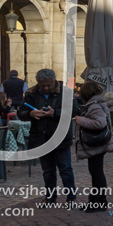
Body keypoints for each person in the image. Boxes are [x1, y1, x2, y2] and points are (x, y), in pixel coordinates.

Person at [18, 69, 79, 206]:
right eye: (42, 85)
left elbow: (75, 110)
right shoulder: (31, 93)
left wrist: (54, 113)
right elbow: (20, 112)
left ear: (54, 81)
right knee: (48, 171)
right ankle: (50, 198)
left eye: (48, 85)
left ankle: (71, 197)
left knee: (65, 169)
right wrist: (30, 114)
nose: (45, 88)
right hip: (41, 137)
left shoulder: (65, 92)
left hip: (60, 136)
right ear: (38, 83)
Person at [74, 80, 113, 213]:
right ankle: (95, 200)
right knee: (95, 172)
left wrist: (81, 120)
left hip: (96, 143)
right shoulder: (98, 103)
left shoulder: (94, 106)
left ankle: (99, 202)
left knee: (97, 173)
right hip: (99, 142)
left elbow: (100, 123)